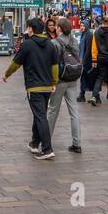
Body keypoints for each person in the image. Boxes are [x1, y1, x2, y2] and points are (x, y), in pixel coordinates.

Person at [2, 17, 59, 159]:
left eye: (28, 28)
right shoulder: (51, 45)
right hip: (47, 87)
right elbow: (55, 67)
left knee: (40, 116)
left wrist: (6, 75)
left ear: (31, 29)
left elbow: (16, 63)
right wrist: (54, 83)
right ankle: (34, 143)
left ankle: (47, 149)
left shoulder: (27, 45)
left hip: (34, 87)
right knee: (39, 114)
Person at [47, 17, 82, 154]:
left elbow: (51, 63)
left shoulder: (54, 43)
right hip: (73, 78)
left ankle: (47, 141)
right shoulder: (74, 40)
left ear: (59, 28)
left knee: (53, 111)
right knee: (74, 112)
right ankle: (77, 143)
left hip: (60, 80)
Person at [77, 20, 94, 102]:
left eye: (83, 26)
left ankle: (95, 96)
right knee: (84, 78)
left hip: (88, 61)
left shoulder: (89, 35)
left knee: (89, 78)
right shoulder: (83, 34)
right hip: (84, 60)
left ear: (87, 26)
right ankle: (82, 95)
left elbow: (88, 49)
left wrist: (83, 61)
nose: (81, 27)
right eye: (80, 26)